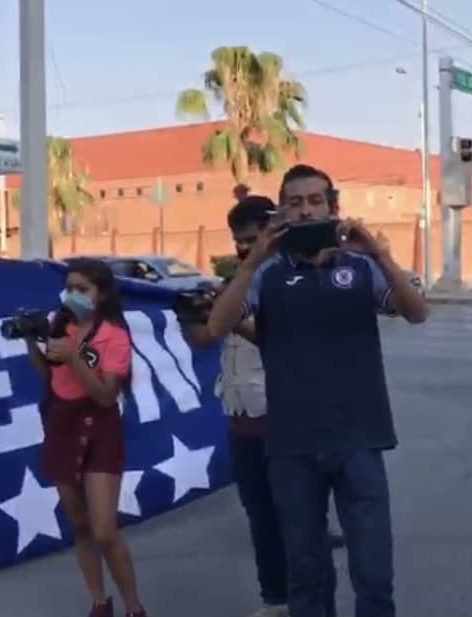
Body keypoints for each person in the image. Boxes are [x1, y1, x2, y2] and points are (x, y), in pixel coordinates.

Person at [205, 164, 429, 617]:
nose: (305, 211)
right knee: (306, 573)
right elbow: (217, 325)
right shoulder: (267, 273)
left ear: (332, 206)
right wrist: (250, 262)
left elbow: (416, 312)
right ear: (282, 212)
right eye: (295, 203)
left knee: (373, 572)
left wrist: (381, 255)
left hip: (359, 438)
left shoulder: (361, 267)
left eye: (314, 201)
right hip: (292, 445)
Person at [182, 195, 292, 617]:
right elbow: (207, 338)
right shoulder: (235, 282)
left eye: (251, 239)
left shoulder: (289, 278)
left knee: (294, 519)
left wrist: (226, 314)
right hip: (240, 419)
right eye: (238, 241)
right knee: (260, 519)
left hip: (282, 419)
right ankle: (274, 600)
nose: (244, 248)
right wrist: (191, 315)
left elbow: (278, 340)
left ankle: (306, 600)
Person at [24, 258, 148, 617]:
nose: (73, 295)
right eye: (69, 288)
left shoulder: (115, 335)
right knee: (79, 525)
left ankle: (134, 607)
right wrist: (31, 340)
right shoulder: (59, 324)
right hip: (62, 425)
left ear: (101, 294)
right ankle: (99, 601)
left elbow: (106, 396)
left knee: (104, 530)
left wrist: (74, 358)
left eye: (82, 289)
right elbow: (48, 374)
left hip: (99, 428)